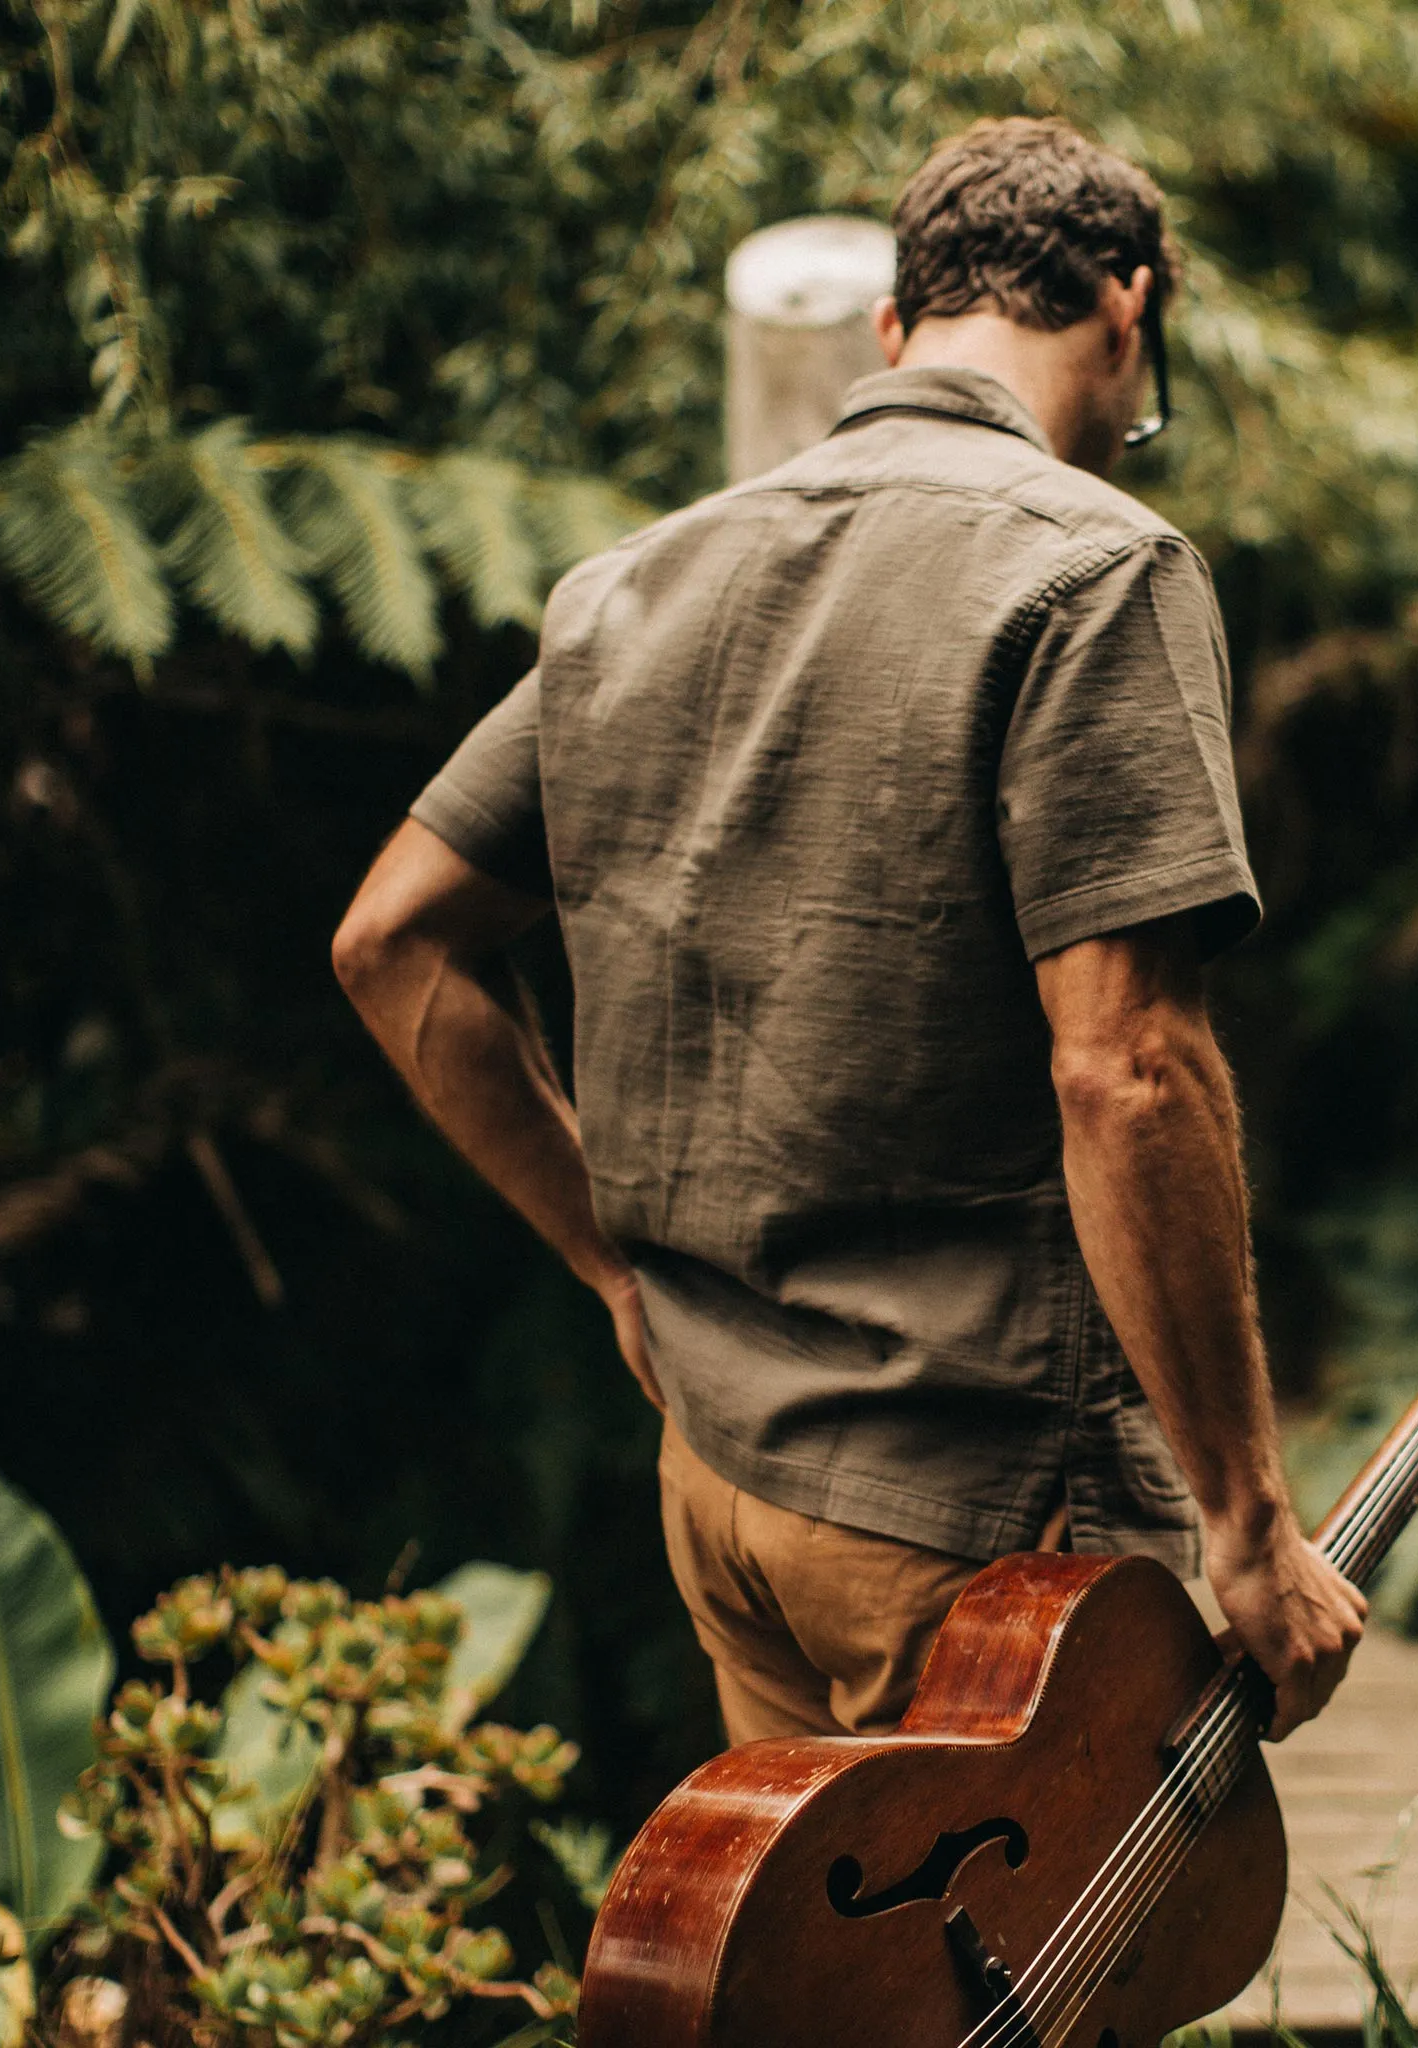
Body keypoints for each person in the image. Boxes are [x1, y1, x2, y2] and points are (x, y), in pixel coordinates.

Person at [332, 115, 1364, 1749]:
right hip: (985, 1522)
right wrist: (1247, 1525)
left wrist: (613, 1271)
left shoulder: (635, 585)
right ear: (1127, 309)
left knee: (840, 1983)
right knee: (1031, 1999)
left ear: (895, 333)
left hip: (725, 1486)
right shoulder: (1097, 567)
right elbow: (1132, 1072)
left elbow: (391, 942)